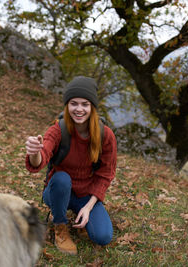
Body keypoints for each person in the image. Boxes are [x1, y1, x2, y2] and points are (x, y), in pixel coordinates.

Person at [25, 76, 117, 255]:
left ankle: (81, 213)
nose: (79, 109)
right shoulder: (58, 130)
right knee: (61, 178)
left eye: (85, 104)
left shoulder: (105, 135)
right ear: (67, 105)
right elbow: (40, 160)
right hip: (57, 191)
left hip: (85, 194)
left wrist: (88, 207)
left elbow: (106, 174)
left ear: (92, 107)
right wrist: (34, 151)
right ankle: (60, 224)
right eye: (74, 103)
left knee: (103, 237)